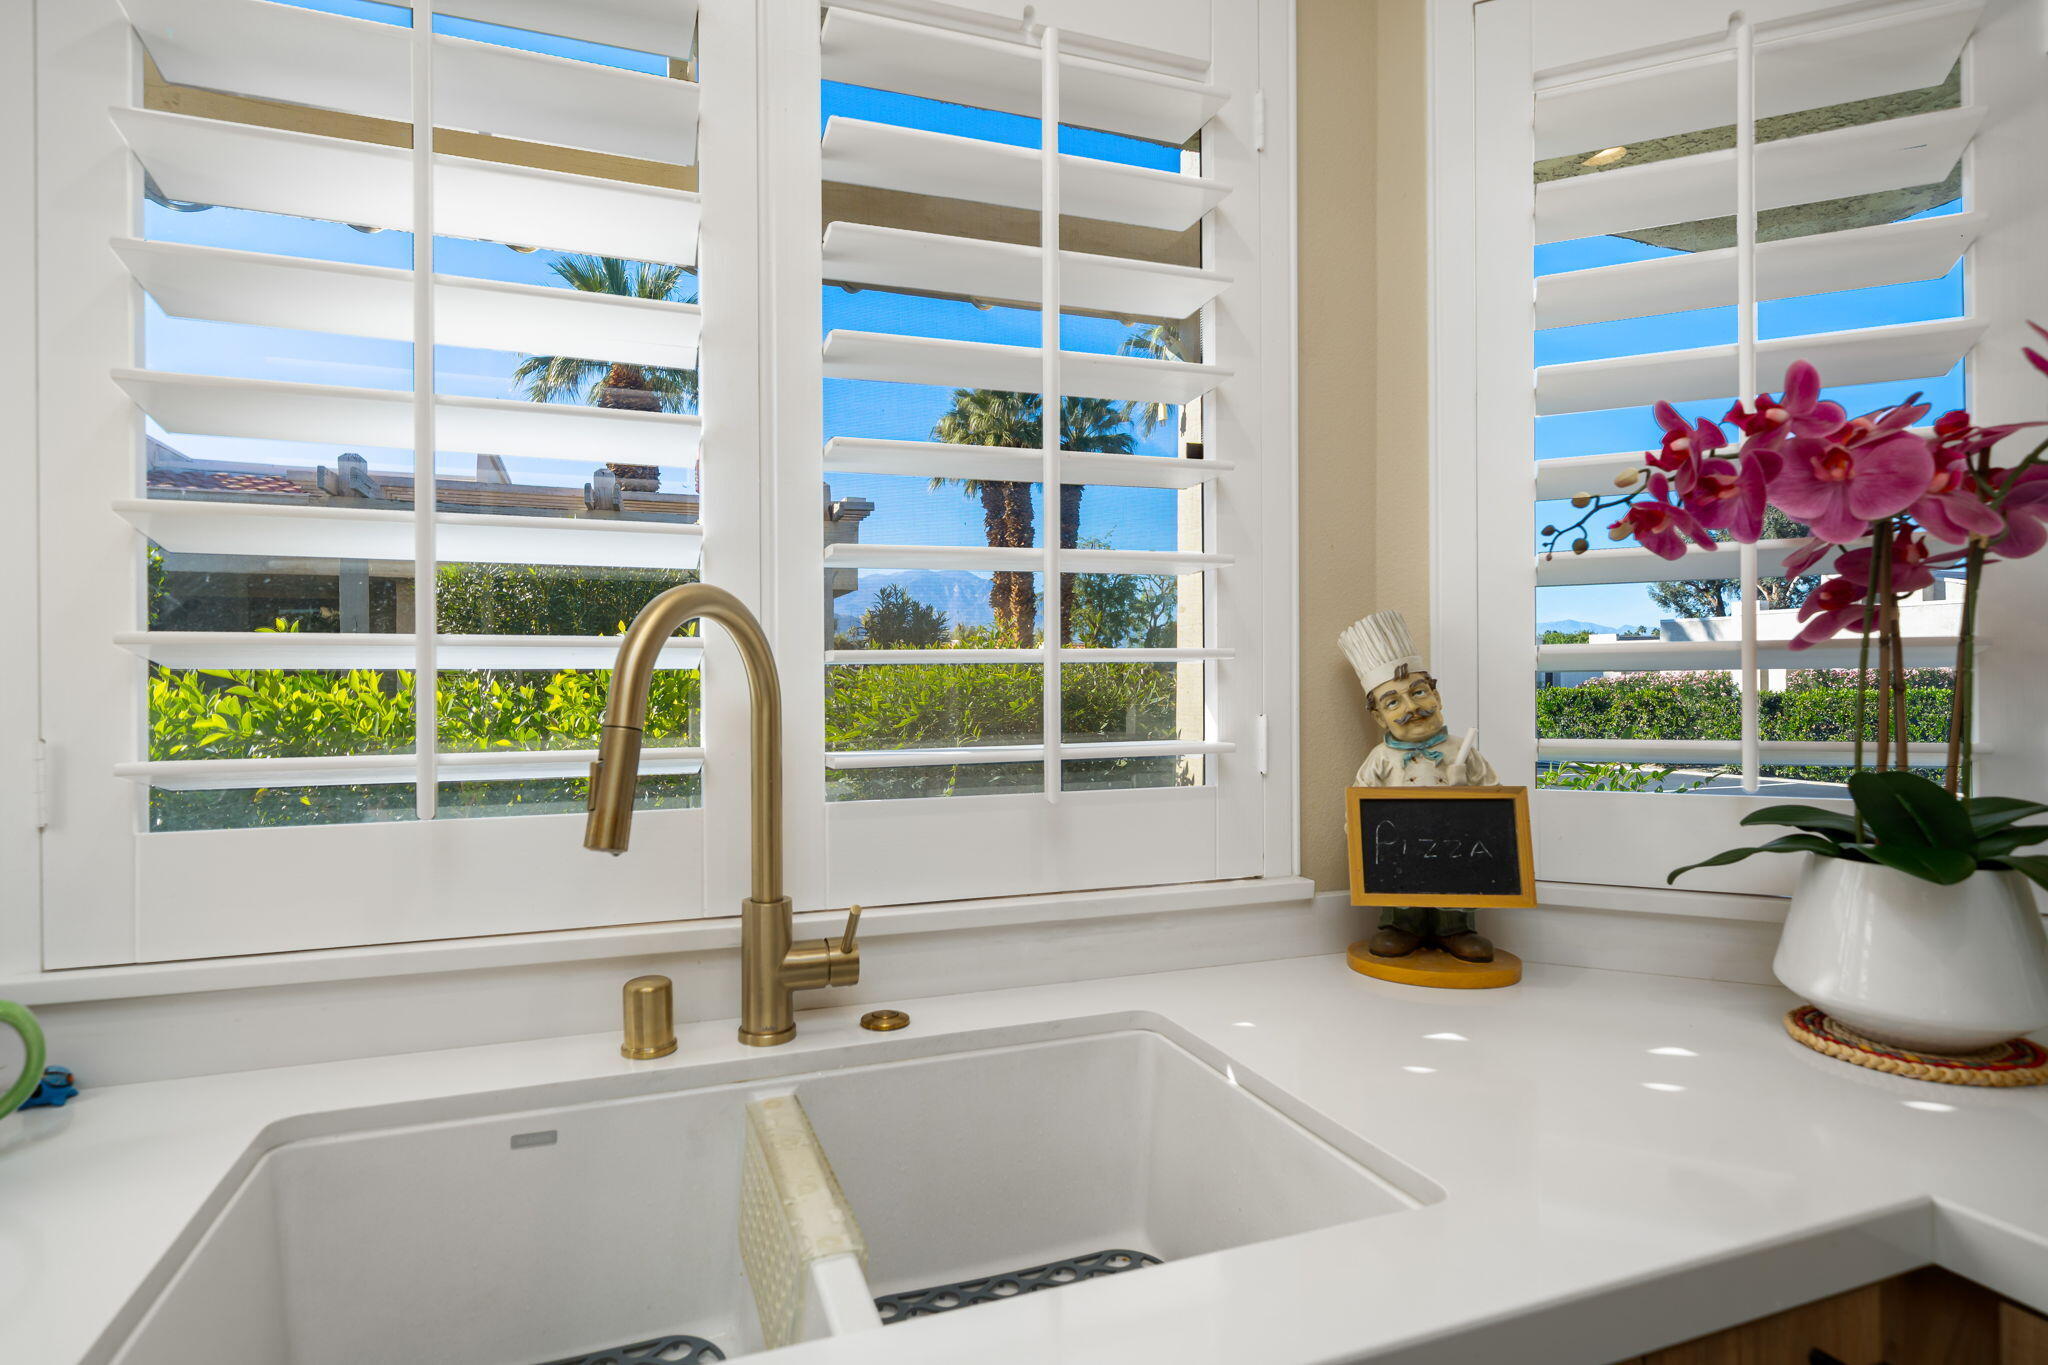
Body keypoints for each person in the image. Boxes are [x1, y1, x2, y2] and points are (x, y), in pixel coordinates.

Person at [1340, 610, 1499, 962]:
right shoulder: (1381, 759)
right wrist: (1362, 839)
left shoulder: (1463, 751)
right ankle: (1402, 925)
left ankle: (1456, 928)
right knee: (1402, 884)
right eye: (1393, 702)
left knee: (1455, 884)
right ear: (1379, 717)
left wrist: (1476, 805)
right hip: (1401, 848)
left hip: (1454, 844)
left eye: (1419, 693)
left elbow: (1495, 797)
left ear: (1437, 697)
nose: (1412, 707)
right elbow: (1360, 802)